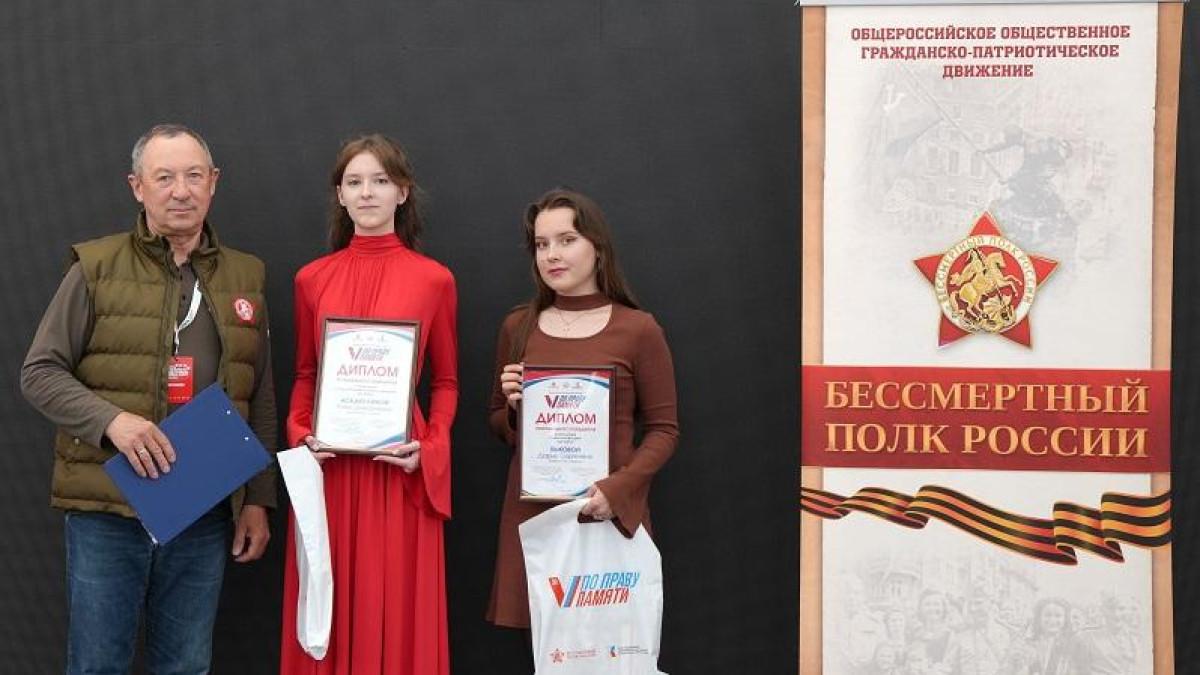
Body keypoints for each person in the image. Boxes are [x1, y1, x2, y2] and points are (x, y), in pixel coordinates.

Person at [20, 123, 277, 675]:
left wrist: (257, 499)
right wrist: (112, 421)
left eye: (193, 176)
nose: (180, 190)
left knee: (186, 666)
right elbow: (39, 372)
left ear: (214, 182)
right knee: (97, 666)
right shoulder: (96, 267)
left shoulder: (246, 275)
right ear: (137, 187)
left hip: (204, 508)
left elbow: (259, 395)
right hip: (109, 508)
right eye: (164, 177)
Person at [280, 134, 457, 675]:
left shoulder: (435, 280)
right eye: (354, 182)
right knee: (330, 603)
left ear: (403, 192)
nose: (367, 193)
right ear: (339, 194)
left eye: (380, 181)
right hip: (331, 472)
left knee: (396, 607)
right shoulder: (311, 279)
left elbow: (447, 382)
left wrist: (430, 448)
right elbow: (305, 374)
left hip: (399, 469)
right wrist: (299, 434)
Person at [486, 188, 680, 632]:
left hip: (609, 512)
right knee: (545, 651)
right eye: (541, 244)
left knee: (611, 647)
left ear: (598, 247)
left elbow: (665, 430)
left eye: (567, 240)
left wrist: (619, 489)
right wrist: (515, 410)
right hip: (536, 517)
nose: (552, 254)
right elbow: (499, 423)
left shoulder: (638, 329)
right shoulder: (518, 327)